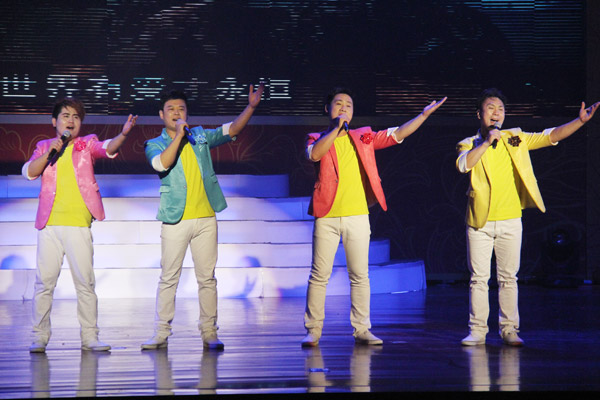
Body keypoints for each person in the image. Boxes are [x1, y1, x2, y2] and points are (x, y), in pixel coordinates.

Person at [301, 87, 446, 347]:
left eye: (348, 105)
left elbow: (397, 134)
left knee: (360, 275)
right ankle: (313, 330)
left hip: (357, 215)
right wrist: (336, 129)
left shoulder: (363, 136)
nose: (344, 108)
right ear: (327, 109)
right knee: (319, 274)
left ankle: (362, 329)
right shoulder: (316, 137)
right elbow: (315, 154)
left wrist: (423, 116)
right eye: (338, 104)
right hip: (327, 215)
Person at [456, 88, 599, 347]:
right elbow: (464, 165)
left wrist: (579, 122)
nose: (496, 113)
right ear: (479, 114)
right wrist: (486, 143)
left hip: (510, 219)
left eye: (500, 109)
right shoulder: (469, 143)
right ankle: (477, 331)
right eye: (490, 108)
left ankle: (509, 329)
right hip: (480, 222)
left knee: (508, 278)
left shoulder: (515, 138)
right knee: (478, 279)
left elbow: (551, 136)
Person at [141, 83, 264, 351]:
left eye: (181, 109)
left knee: (207, 278)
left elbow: (231, 130)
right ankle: (161, 332)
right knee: (169, 277)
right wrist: (178, 136)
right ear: (161, 115)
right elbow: (161, 164)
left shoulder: (199, 136)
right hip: (175, 219)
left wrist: (251, 107)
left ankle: (209, 331)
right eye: (171, 109)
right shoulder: (154, 143)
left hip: (206, 218)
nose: (176, 113)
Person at [23, 97, 138, 353]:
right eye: (66, 116)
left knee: (85, 283)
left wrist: (123, 134)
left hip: (78, 224)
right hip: (49, 225)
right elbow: (29, 172)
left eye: (76, 116)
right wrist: (51, 152)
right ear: (54, 121)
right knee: (44, 284)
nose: (71, 120)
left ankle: (90, 337)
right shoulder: (44, 146)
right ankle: (39, 337)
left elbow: (107, 148)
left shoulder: (87, 144)